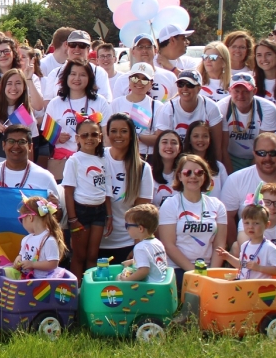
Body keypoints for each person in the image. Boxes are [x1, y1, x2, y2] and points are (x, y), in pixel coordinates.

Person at [221, 132, 276, 245]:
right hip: (248, 252)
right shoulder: (235, 180)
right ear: (254, 154)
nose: (267, 158)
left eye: (273, 153)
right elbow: (227, 217)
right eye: (261, 153)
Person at [41, 59, 111, 179]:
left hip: (93, 159)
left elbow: (107, 134)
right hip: (62, 161)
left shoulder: (100, 102)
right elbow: (45, 133)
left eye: (82, 74)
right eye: (73, 74)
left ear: (89, 78)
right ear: (66, 77)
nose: (77, 78)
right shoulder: (55, 103)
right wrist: (56, 137)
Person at [98, 114, 153, 263]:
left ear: (131, 135)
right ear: (107, 134)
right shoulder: (96, 157)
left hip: (126, 244)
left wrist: (137, 248)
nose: (118, 135)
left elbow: (143, 214)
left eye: (124, 131)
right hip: (94, 241)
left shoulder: (142, 168)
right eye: (114, 131)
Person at [61, 118, 112, 277]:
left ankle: (90, 289)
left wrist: (109, 215)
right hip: (81, 212)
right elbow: (68, 192)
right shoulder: (74, 160)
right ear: (77, 138)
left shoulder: (104, 159)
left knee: (92, 255)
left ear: (100, 137)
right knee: (79, 256)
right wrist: (72, 218)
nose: (89, 138)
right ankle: (76, 290)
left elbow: (107, 190)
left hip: (99, 212)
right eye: (84, 135)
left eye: (94, 134)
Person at [0, 124, 64, 200]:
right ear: (3, 145)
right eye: (11, 141)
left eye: (22, 142)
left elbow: (58, 212)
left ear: (30, 147)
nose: (16, 146)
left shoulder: (45, 177)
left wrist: (54, 208)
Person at [218, 72, 276, 171]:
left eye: (246, 91)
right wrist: (231, 175)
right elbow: (223, 148)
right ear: (229, 91)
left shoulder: (268, 108)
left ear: (254, 91)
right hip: (231, 157)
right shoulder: (221, 108)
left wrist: (251, 173)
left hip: (259, 157)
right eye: (236, 91)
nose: (241, 96)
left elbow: (264, 146)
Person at [159, 69, 224, 150]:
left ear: (199, 88)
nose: (184, 88)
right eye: (181, 84)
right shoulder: (168, 108)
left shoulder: (211, 107)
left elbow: (217, 146)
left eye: (190, 85)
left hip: (203, 155)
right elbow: (161, 145)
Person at [41, 30, 113, 101]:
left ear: (88, 49)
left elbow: (105, 101)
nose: (77, 49)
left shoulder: (99, 73)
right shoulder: (55, 73)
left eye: (82, 46)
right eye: (73, 45)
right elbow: (48, 102)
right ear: (67, 47)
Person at [219, 203, 276, 280]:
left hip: (260, 288)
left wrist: (259, 268)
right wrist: (228, 257)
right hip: (243, 284)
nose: (250, 227)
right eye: (247, 223)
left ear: (267, 225)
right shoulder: (245, 245)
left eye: (256, 223)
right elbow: (242, 265)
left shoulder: (270, 247)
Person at [231, 182, 276, 256]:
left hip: (274, 262)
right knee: (236, 246)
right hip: (250, 257)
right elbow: (244, 244)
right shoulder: (247, 221)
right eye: (267, 202)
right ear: (260, 203)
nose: (272, 207)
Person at [112, 63, 166, 154]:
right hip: (120, 154)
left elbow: (160, 138)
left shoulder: (157, 106)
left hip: (145, 156)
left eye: (145, 80)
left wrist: (135, 137)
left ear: (151, 84)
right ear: (129, 80)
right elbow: (109, 133)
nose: (139, 82)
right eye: (135, 78)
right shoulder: (116, 103)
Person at [0, 69, 39, 139]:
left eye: (18, 83)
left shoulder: (24, 109)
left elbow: (32, 138)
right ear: (3, 87)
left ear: (24, 87)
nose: (13, 88)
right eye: (9, 83)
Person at [111, 35, 177, 102]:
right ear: (133, 52)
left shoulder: (170, 77)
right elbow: (117, 108)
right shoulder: (122, 80)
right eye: (140, 47)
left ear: (155, 50)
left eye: (148, 47)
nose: (144, 50)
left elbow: (175, 106)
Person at [13, 195, 66, 279]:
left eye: (21, 219)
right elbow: (21, 254)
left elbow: (53, 264)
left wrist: (33, 264)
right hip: (27, 278)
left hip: (42, 282)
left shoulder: (48, 240)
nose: (21, 222)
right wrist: (18, 259)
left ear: (30, 217)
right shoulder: (26, 239)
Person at [119, 204, 168, 283]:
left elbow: (143, 271)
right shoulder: (157, 242)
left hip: (150, 288)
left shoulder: (140, 247)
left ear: (140, 228)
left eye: (127, 225)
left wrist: (126, 280)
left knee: (119, 278)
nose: (127, 229)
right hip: (162, 282)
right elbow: (152, 260)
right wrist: (133, 261)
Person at [181, 120, 227, 200]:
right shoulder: (182, 165)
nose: (201, 140)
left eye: (205, 136)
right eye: (196, 136)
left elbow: (227, 194)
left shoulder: (219, 166)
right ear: (189, 139)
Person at [149, 130, 184, 207]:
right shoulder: (147, 173)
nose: (169, 146)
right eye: (164, 142)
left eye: (174, 143)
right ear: (158, 146)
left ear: (180, 149)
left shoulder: (185, 174)